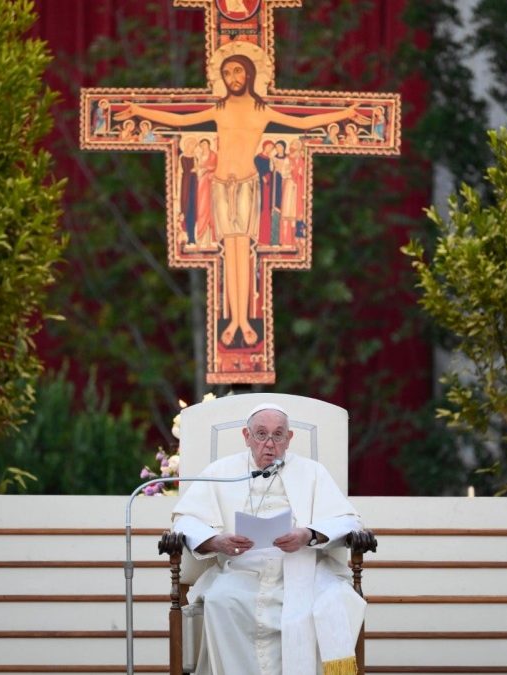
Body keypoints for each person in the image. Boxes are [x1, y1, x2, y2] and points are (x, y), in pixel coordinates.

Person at [114, 53, 360, 348]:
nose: (233, 78)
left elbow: (304, 122)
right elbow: (180, 120)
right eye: (228, 73)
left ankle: (242, 319)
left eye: (239, 72)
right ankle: (234, 320)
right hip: (219, 186)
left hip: (246, 185)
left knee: (243, 253)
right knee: (229, 254)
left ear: (250, 75)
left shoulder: (262, 111)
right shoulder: (219, 109)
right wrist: (139, 111)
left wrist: (342, 115)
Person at [172, 402, 366, 675]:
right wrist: (217, 541)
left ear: (289, 439)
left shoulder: (312, 472)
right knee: (221, 600)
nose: (270, 443)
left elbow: (348, 520)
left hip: (300, 570)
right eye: (261, 434)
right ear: (247, 436)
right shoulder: (221, 472)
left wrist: (307, 535)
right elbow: (185, 520)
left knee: (319, 607)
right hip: (242, 569)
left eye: (278, 435)